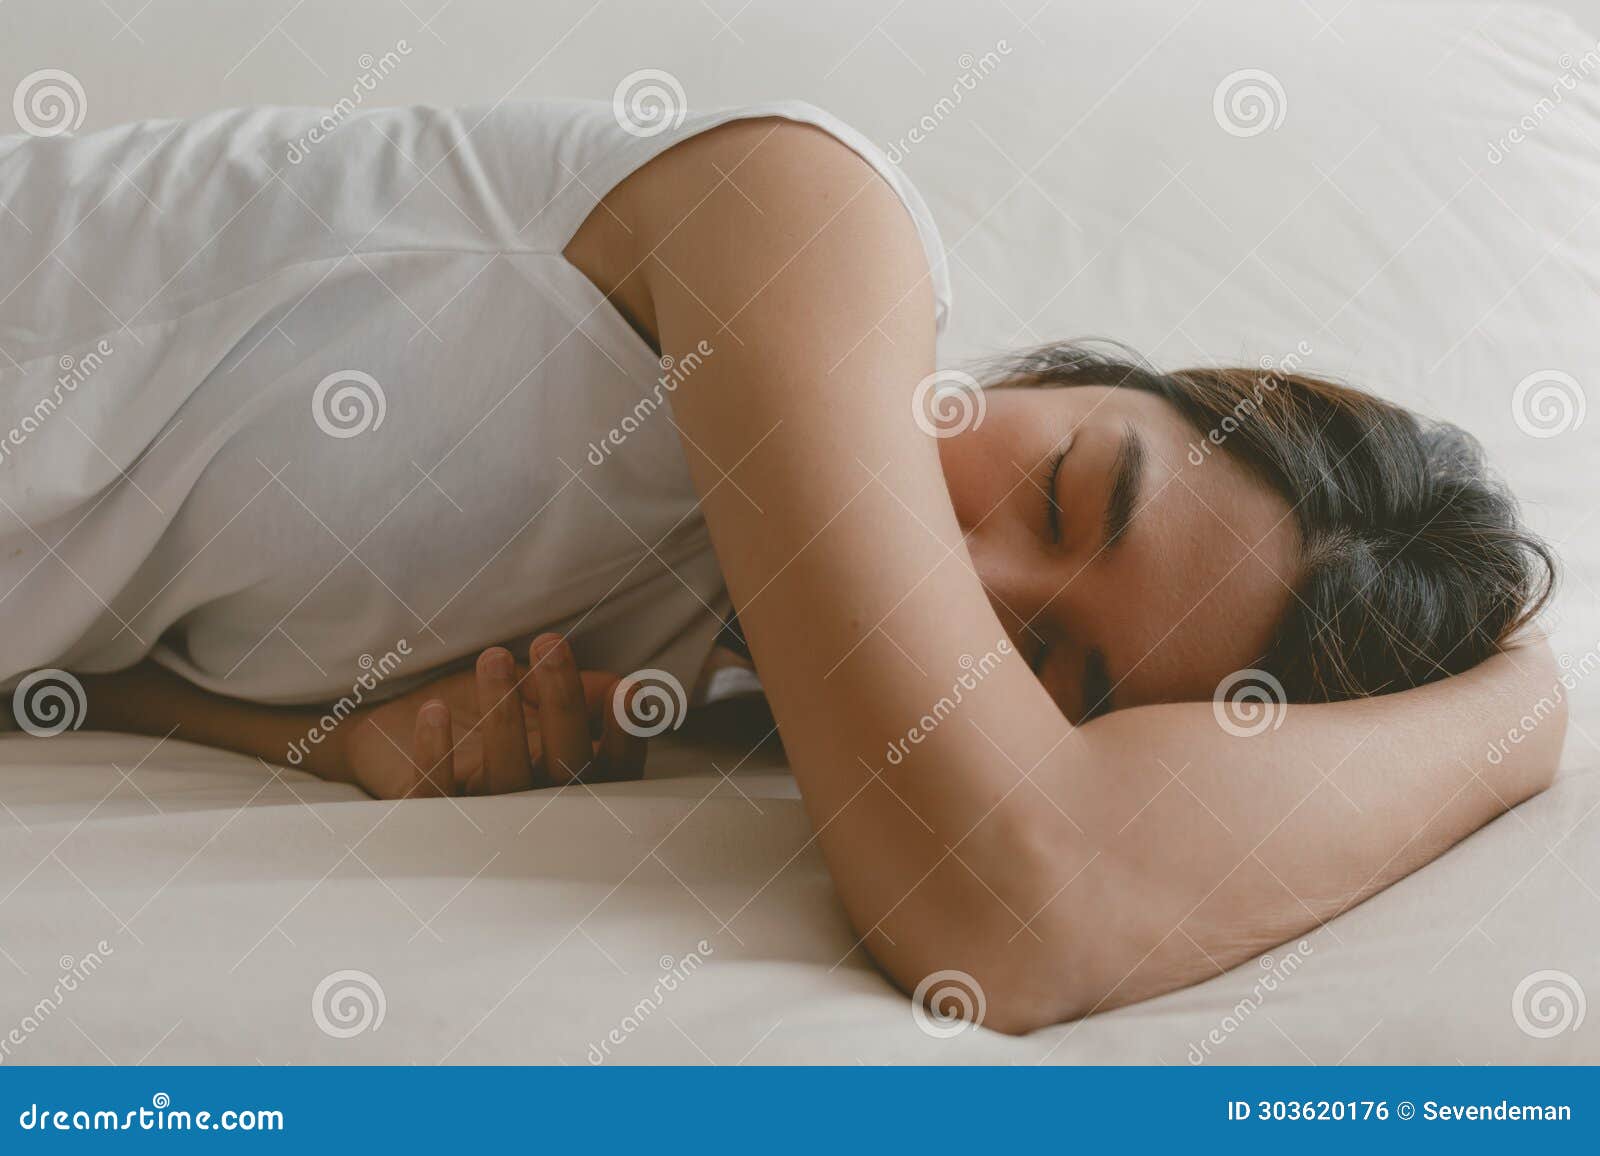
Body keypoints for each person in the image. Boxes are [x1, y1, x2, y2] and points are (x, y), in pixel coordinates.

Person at [0, 100, 1562, 1030]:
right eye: (1071, 494)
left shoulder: (701, 657)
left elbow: (64, 649)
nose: (983, 592)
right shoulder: (809, 220)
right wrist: (1515, 716)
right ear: (1082, 370)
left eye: (1056, 677)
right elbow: (1015, 907)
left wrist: (334, 740)